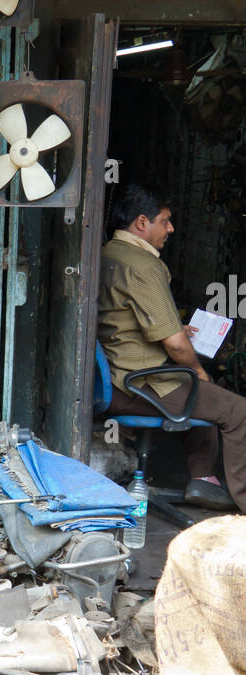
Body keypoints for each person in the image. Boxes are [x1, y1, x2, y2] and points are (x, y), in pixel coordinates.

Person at [97, 184, 246, 512]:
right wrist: (197, 369)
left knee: (207, 397)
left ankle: (203, 481)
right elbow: (177, 347)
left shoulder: (108, 252)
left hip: (118, 374)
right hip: (140, 384)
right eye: (165, 221)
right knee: (237, 411)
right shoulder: (144, 265)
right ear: (141, 223)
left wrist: (178, 335)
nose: (171, 229)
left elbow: (131, 319)